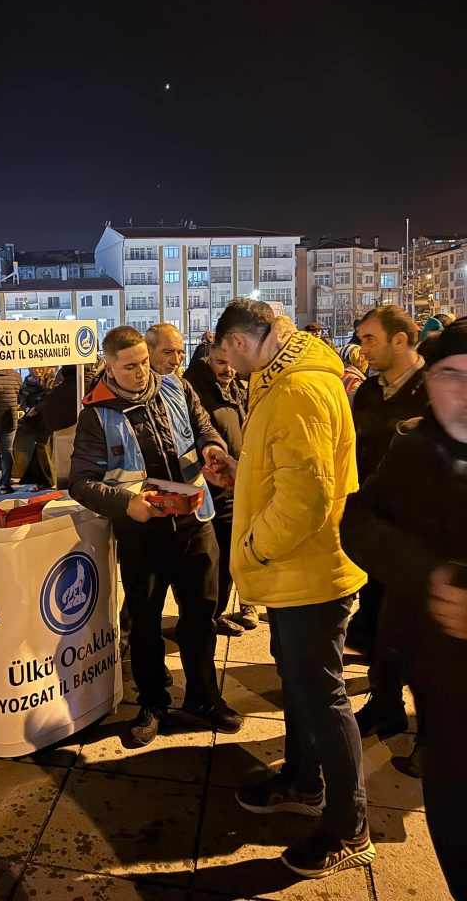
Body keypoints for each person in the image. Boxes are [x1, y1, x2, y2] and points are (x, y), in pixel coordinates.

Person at [210, 298, 373, 879]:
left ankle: (348, 826)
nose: (228, 364)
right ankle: (303, 781)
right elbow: (285, 470)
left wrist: (251, 548)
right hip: (295, 570)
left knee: (323, 697)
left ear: (249, 339)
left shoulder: (298, 390)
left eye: (229, 351)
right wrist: (239, 472)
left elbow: (304, 501)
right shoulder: (285, 379)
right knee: (300, 686)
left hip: (308, 570)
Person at [341, 318, 467, 900]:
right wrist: (430, 576)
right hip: (441, 694)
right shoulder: (417, 444)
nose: (463, 395)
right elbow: (360, 520)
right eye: (451, 378)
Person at [68, 325, 242, 746]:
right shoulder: (95, 413)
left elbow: (202, 428)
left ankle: (204, 697)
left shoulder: (177, 387)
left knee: (202, 614)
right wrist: (127, 505)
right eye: (129, 367)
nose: (141, 372)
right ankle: (152, 702)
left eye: (144, 362)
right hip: (142, 532)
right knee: (145, 622)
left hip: (194, 521)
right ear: (108, 366)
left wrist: (212, 448)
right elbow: (81, 481)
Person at [351, 306, 428, 741]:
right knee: (379, 621)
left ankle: (433, 732)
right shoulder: (368, 392)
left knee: (421, 635)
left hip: (420, 534)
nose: (363, 349)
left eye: (370, 339)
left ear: (401, 340)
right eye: (361, 340)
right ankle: (386, 705)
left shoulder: (435, 389)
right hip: (377, 530)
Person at [183, 339, 259, 635]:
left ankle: (215, 615)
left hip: (235, 486)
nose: (228, 370)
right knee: (209, 563)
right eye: (220, 363)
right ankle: (203, 618)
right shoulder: (197, 393)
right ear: (207, 362)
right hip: (210, 490)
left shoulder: (237, 389)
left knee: (228, 559)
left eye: (231, 363)